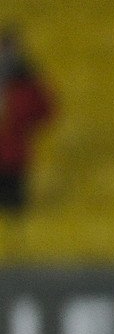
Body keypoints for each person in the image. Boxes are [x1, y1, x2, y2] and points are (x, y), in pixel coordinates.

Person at [0, 26, 54, 214]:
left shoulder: (25, 79)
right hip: (14, 152)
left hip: (13, 155)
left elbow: (45, 110)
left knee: (13, 210)